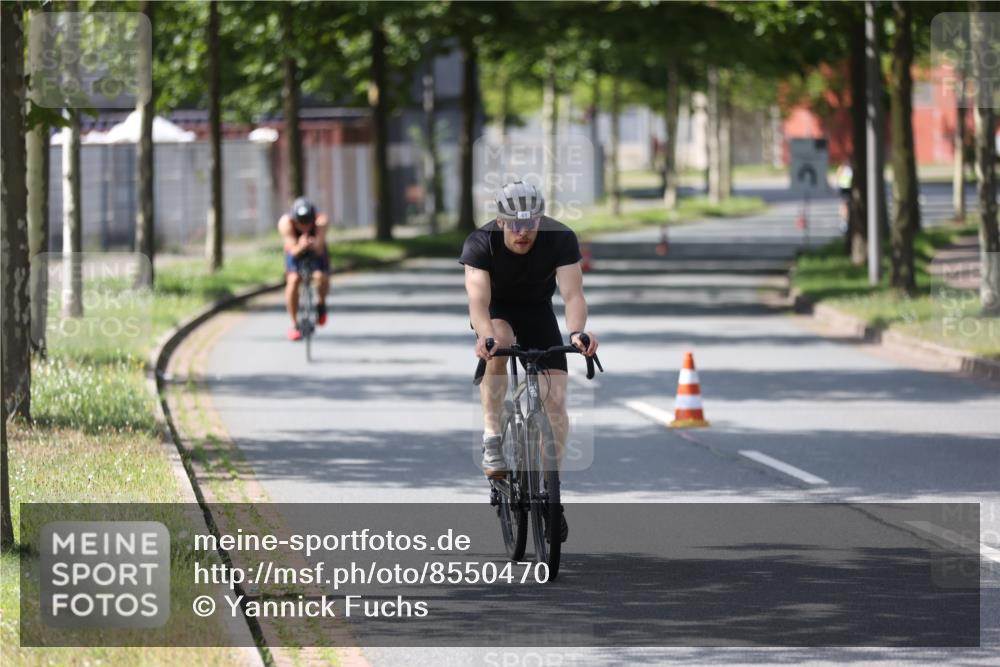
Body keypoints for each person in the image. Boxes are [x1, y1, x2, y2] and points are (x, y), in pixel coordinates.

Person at [459, 180, 599, 543]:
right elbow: (478, 302)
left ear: (541, 219)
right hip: (497, 314)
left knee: (556, 404)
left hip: (539, 313)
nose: (523, 232)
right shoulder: (480, 242)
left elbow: (572, 294)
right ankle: (493, 436)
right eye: (515, 224)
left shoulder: (560, 237)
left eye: (531, 223)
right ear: (500, 221)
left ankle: (551, 493)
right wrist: (484, 337)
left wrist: (577, 332)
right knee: (500, 341)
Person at [279, 197, 330, 341]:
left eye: (308, 222)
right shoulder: (285, 223)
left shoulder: (321, 221)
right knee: (293, 280)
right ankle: (294, 324)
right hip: (295, 251)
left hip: (315, 252)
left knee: (321, 277)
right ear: (294, 220)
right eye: (301, 222)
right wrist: (301, 245)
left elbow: (319, 249)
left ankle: (321, 304)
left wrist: (313, 244)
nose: (305, 226)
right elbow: (292, 250)